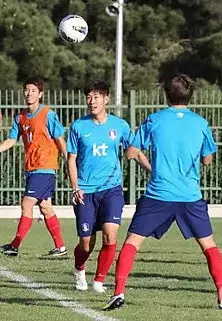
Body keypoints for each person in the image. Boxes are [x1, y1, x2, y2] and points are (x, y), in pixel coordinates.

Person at [103, 74, 222, 311]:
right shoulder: (200, 123)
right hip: (189, 196)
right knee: (209, 245)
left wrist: (149, 157)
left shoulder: (154, 120)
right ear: (190, 96)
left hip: (158, 194)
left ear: (166, 95)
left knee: (132, 242)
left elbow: (131, 153)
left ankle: (118, 292)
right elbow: (207, 160)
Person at [67, 80, 150, 293]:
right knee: (86, 243)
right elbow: (71, 159)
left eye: (96, 97)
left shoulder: (119, 125)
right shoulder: (78, 126)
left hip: (111, 189)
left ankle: (99, 280)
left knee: (110, 236)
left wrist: (153, 171)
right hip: (85, 191)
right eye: (88, 97)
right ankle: (79, 268)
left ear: (106, 99)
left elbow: (135, 151)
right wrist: (75, 186)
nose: (91, 101)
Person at [0, 76, 67, 257]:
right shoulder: (20, 116)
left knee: (27, 203)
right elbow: (11, 140)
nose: (29, 94)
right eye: (27, 90)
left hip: (45, 167)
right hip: (31, 169)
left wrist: (69, 161)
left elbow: (60, 140)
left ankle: (14, 246)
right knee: (45, 208)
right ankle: (60, 247)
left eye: (33, 91)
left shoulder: (48, 114)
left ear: (40, 94)